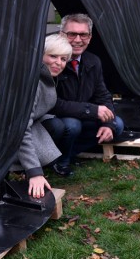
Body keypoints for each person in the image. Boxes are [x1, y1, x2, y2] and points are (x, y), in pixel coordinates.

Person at [45, 14, 124, 176]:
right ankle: (61, 162)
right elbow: (53, 103)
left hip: (80, 115)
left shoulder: (93, 61)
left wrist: (107, 123)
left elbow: (103, 95)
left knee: (117, 124)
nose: (78, 40)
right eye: (72, 34)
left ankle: (67, 153)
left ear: (90, 37)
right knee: (72, 125)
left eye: (83, 34)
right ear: (61, 34)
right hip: (54, 119)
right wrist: (92, 110)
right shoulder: (52, 62)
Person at [16, 34, 73, 198]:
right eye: (53, 56)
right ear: (40, 55)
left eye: (63, 59)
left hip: (30, 123)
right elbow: (20, 128)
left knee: (58, 126)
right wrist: (34, 172)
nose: (58, 63)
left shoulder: (46, 77)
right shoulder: (32, 84)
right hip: (2, 133)